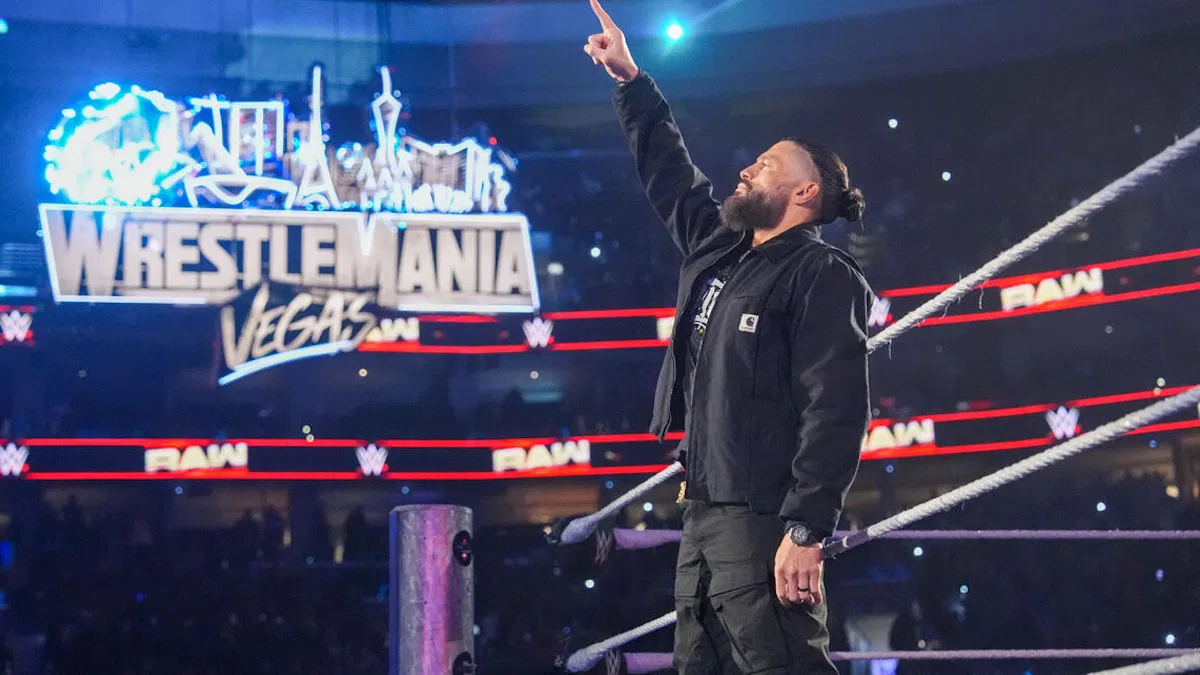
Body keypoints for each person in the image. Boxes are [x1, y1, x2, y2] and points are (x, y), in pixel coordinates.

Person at [583, 1, 872, 672]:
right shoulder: (721, 247)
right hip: (704, 508)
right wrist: (632, 81)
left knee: (785, 664)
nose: (747, 170)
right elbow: (671, 177)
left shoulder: (821, 274)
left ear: (805, 192)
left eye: (766, 165)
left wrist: (806, 527)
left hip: (765, 513)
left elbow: (837, 405)